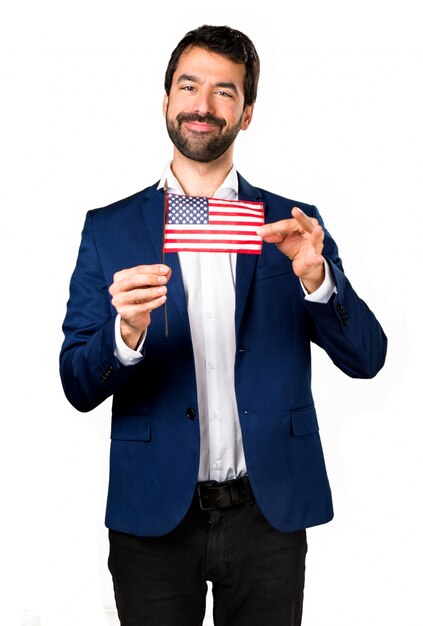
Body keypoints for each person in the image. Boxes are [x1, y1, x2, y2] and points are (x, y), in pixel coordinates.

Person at [60, 25, 387, 626]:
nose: (203, 106)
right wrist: (123, 335)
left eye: (224, 91)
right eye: (189, 86)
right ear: (165, 101)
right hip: (153, 514)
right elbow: (77, 385)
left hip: (267, 513)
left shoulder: (293, 226)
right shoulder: (107, 230)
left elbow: (368, 357)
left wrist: (318, 281)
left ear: (248, 112)